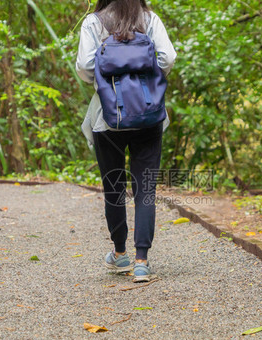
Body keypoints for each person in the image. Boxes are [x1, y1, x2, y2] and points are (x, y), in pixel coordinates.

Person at [76, 0, 177, 282]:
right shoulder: (149, 18)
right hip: (148, 112)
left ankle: (120, 255)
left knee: (114, 186)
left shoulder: (93, 22)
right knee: (145, 188)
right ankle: (142, 261)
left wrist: (105, 78)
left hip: (107, 116)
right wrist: (146, 77)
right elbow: (168, 58)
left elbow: (85, 65)